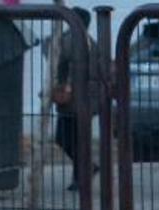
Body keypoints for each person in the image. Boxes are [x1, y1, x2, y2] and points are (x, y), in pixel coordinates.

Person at [52, 6, 94, 192]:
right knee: (75, 140)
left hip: (73, 100)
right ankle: (84, 172)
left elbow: (64, 62)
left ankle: (84, 173)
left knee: (67, 139)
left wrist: (64, 86)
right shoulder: (87, 40)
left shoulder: (73, 39)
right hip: (83, 100)